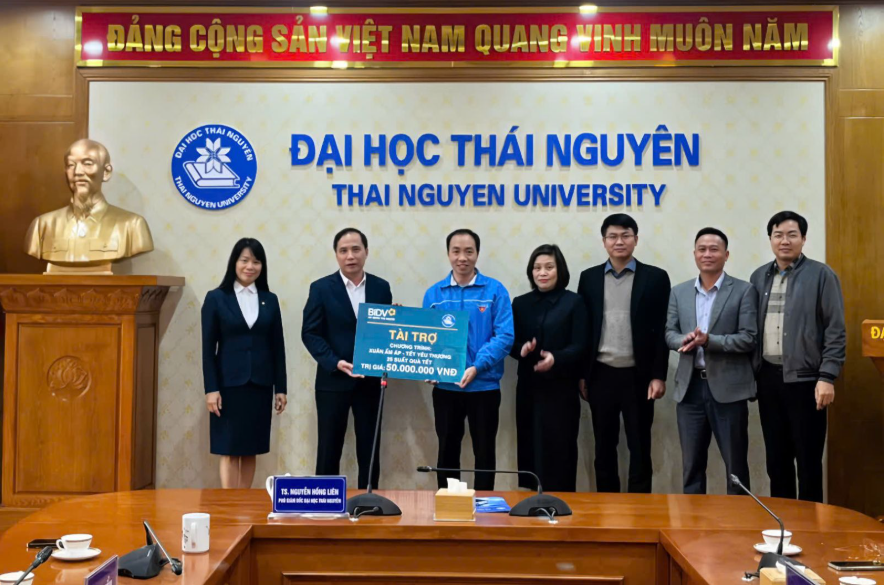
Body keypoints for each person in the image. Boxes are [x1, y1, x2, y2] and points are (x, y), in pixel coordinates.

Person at [750, 211, 845, 503]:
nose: (785, 241)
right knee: (776, 462)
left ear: (803, 239)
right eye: (778, 235)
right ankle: (784, 523)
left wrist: (827, 376)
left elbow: (835, 330)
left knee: (808, 462)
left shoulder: (822, 275)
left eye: (792, 235)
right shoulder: (759, 277)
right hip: (768, 380)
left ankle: (811, 525)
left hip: (807, 382)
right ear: (770, 239)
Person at [576, 213, 671, 493]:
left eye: (625, 235)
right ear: (604, 241)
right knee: (603, 447)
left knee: (640, 446)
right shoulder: (589, 278)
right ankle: (607, 506)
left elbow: (662, 330)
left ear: (636, 239)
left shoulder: (656, 278)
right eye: (613, 236)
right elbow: (584, 330)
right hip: (600, 374)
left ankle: (640, 508)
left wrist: (658, 375)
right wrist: (583, 375)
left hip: (639, 377)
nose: (619, 241)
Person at [665, 228, 757, 495]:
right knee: (691, 466)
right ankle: (692, 520)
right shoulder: (679, 292)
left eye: (714, 249)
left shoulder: (744, 290)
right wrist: (684, 339)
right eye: (702, 249)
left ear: (726, 255)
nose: (707, 254)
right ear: (694, 254)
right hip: (690, 389)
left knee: (735, 468)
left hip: (729, 391)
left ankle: (739, 517)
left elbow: (749, 338)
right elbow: (669, 333)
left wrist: (709, 341)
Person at [423, 229, 514, 490]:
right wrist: (429, 367)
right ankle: (450, 503)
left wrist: (477, 366)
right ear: (448, 254)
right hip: (446, 388)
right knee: (447, 450)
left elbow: (505, 336)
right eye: (456, 251)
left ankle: (484, 505)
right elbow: (427, 338)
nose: (462, 257)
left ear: (477, 253)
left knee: (484, 452)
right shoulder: (434, 294)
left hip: (483, 387)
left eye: (468, 251)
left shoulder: (495, 290)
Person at [301, 228, 392, 489]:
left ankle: (369, 501)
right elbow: (310, 333)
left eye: (355, 249)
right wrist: (335, 362)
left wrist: (396, 321)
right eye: (343, 250)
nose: (350, 255)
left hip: (370, 382)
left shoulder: (381, 287)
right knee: (329, 448)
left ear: (366, 252)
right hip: (333, 380)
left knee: (369, 449)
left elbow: (384, 332)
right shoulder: (321, 288)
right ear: (336, 255)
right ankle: (325, 502)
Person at [201, 238, 287, 489]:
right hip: (228, 386)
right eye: (245, 260)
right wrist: (211, 389)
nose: (250, 266)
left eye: (256, 261)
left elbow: (278, 347)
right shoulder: (216, 298)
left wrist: (280, 388)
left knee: (251, 448)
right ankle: (231, 503)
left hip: (260, 384)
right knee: (229, 448)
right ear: (234, 263)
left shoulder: (270, 299)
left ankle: (244, 501)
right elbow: (207, 349)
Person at [510, 244, 587, 492]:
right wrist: (521, 349)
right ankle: (533, 503)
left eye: (549, 267)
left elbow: (580, 345)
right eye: (537, 268)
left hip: (561, 390)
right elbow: (510, 342)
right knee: (530, 448)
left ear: (559, 270)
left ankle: (561, 505)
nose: (542, 273)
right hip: (529, 389)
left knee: (560, 450)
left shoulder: (574, 302)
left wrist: (556, 358)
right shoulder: (520, 303)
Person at [24, 139, 153, 269]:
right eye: (71, 165)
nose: (78, 172)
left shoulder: (132, 226)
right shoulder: (42, 226)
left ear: (106, 172)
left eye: (87, 163)